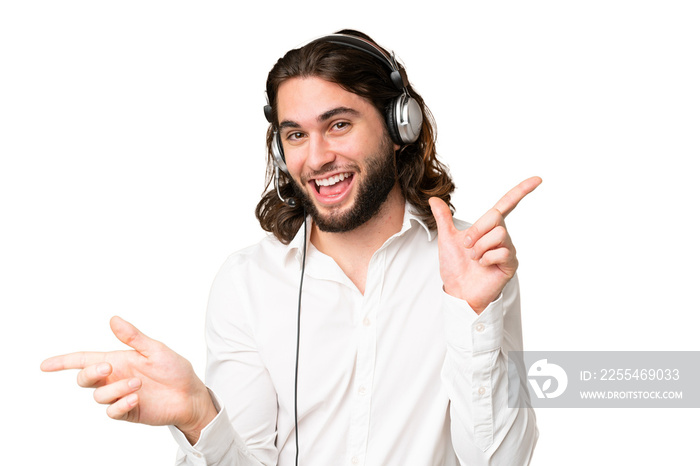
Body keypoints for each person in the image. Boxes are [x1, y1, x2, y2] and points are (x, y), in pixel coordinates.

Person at [41, 29, 540, 465]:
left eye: (339, 124)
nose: (317, 157)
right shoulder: (247, 283)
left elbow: (501, 460)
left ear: (397, 127)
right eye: (296, 134)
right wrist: (200, 418)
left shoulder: (473, 262)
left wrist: (472, 312)